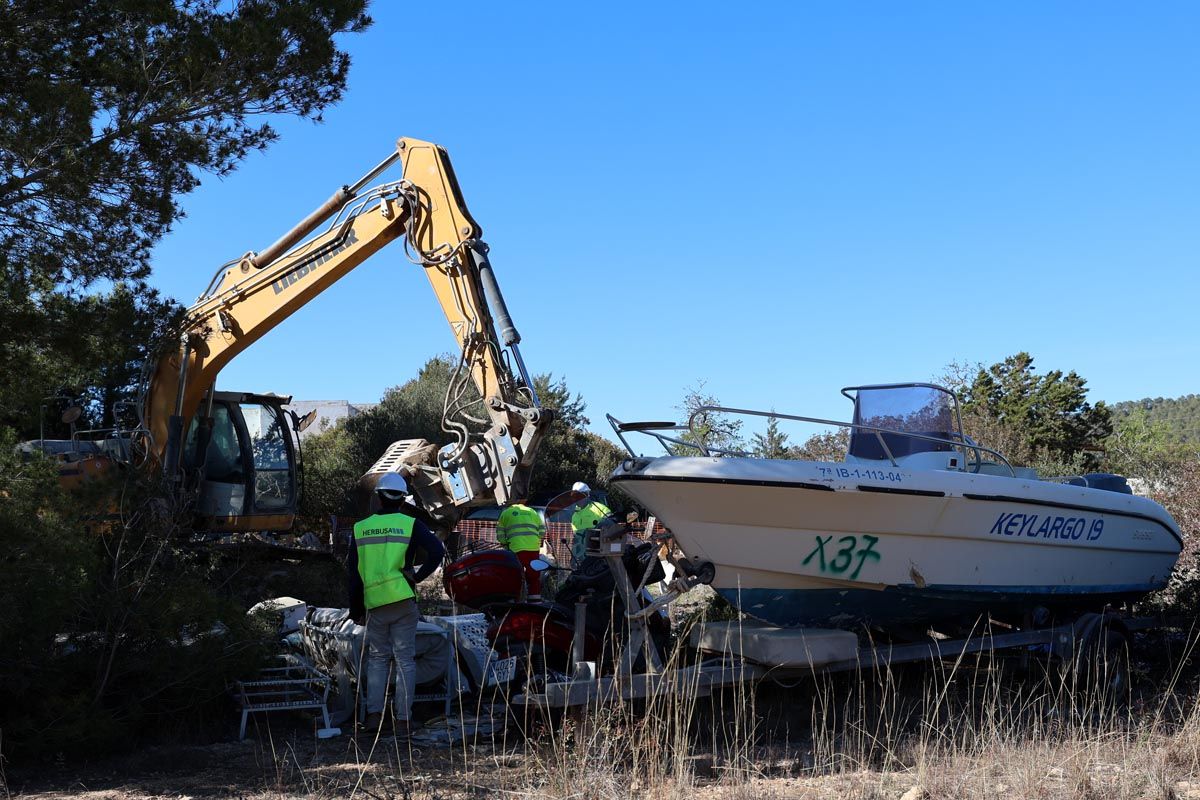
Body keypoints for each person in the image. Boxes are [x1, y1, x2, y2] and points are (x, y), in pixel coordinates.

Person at [347, 472, 445, 737]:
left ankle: (373, 718)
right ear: (402, 500)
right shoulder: (411, 524)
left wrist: (355, 610)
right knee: (405, 661)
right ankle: (403, 722)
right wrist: (418, 576)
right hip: (402, 600)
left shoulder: (360, 528)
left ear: (379, 498)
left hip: (375, 604)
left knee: (378, 659)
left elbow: (353, 575)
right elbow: (438, 551)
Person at [496, 502, 546, 600]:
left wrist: (505, 545)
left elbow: (500, 535)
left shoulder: (506, 513)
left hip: (515, 549)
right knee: (533, 576)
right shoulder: (532, 511)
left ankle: (515, 600)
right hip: (533, 548)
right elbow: (542, 531)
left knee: (515, 575)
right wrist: (535, 540)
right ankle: (535, 600)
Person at [570, 481, 612, 565]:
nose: (577, 499)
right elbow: (576, 536)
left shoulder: (600, 509)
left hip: (598, 552)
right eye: (575, 496)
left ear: (587, 495)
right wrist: (574, 555)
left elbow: (611, 527)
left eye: (580, 496)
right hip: (581, 554)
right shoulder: (575, 515)